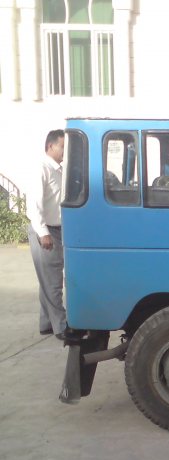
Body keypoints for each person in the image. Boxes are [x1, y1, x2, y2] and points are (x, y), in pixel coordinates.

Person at [26, 129, 67, 339]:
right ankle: (61, 326)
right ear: (50, 146)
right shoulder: (41, 168)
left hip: (56, 230)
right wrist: (43, 232)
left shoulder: (58, 169)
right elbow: (34, 204)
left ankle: (46, 323)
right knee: (52, 281)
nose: (64, 150)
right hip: (45, 230)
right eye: (62, 146)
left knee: (48, 279)